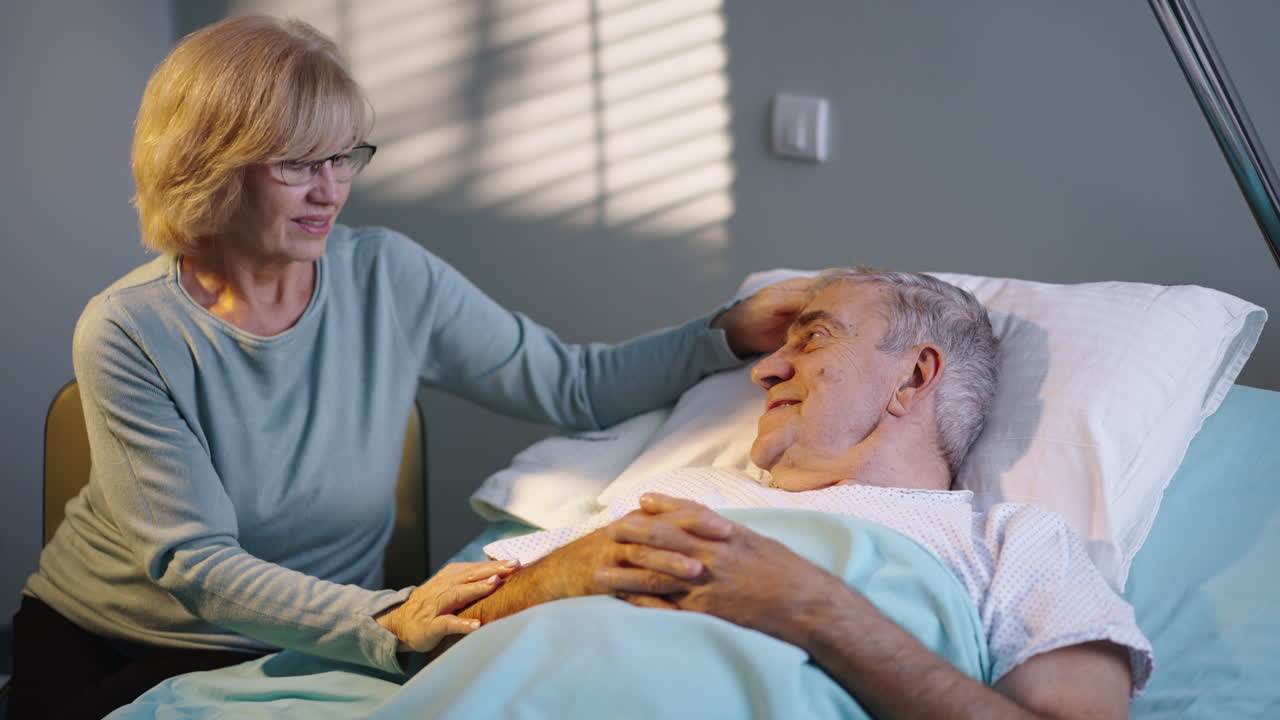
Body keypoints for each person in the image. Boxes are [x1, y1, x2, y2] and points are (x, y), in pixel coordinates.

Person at [8, 15, 810, 719]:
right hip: (115, 643)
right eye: (296, 164)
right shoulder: (129, 329)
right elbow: (197, 565)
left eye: (343, 157)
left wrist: (727, 336)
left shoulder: (391, 275)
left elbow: (574, 385)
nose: (331, 193)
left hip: (311, 643)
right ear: (208, 165)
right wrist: (385, 621)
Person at [439, 268, 1152, 719]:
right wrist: (564, 571)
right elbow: (423, 633)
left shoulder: (1014, 542)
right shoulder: (681, 490)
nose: (764, 371)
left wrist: (813, 610)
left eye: (812, 340)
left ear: (912, 377)